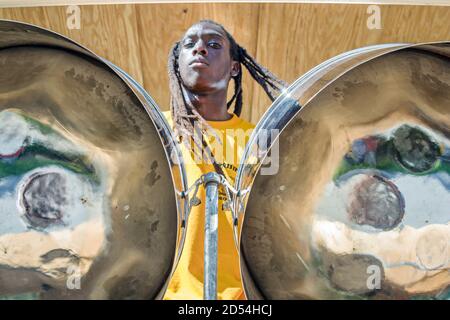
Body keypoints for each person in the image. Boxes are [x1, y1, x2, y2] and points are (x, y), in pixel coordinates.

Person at [163, 19, 287, 300]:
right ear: (177, 63)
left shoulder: (261, 140)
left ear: (234, 68)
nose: (200, 49)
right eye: (189, 44)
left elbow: (274, 228)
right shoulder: (156, 129)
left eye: (214, 44)